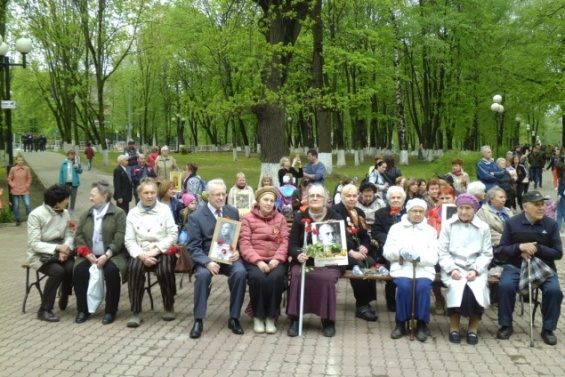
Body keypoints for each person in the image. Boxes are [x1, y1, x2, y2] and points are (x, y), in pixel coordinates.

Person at [495, 191, 563, 345]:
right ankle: (506, 324)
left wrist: (537, 249)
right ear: (525, 206)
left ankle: (548, 328)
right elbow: (502, 250)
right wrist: (519, 247)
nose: (542, 208)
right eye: (537, 205)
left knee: (554, 291)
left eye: (543, 204)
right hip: (516, 266)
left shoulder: (551, 224)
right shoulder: (512, 223)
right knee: (505, 286)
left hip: (544, 268)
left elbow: (558, 253)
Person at [186, 179, 246, 339]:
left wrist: (238, 251)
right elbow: (192, 247)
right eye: (217, 194)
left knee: (240, 272)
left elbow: (238, 237)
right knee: (203, 276)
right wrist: (207, 262)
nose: (221, 198)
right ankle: (198, 320)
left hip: (228, 256)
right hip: (206, 258)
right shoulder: (196, 216)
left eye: (223, 194)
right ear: (208, 196)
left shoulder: (232, 212)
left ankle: (234, 318)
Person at [286, 184, 345, 337]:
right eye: (312, 196)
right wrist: (298, 254)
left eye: (319, 196)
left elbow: (347, 244)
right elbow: (292, 244)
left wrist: (337, 232)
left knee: (327, 278)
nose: (315, 198)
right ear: (307, 198)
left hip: (329, 261)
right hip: (306, 261)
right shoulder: (301, 217)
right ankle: (295, 318)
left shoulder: (335, 216)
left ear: (325, 199)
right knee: (297, 276)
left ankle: (328, 320)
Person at [438, 193, 492, 345]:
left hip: (476, 269)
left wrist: (475, 270)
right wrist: (452, 269)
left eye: (468, 208)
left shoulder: (483, 227)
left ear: (474, 209)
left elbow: (487, 253)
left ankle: (472, 329)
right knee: (457, 290)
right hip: (453, 267)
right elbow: (442, 251)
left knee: (476, 290)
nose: (464, 212)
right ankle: (454, 327)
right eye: (461, 208)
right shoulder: (448, 225)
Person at [124, 178, 179, 328]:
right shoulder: (132, 213)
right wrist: (142, 255)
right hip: (140, 251)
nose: (149, 196)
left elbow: (173, 234)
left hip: (161, 249)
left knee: (165, 269)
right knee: (134, 269)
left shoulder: (164, 210)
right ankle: (136, 311)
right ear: (139, 195)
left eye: (152, 192)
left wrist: (156, 251)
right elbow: (129, 240)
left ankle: (168, 306)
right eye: (146, 193)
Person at [73, 181, 128, 325]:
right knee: (79, 271)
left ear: (104, 197)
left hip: (113, 255)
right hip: (89, 255)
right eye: (90, 195)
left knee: (111, 271)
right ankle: (82, 310)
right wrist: (86, 254)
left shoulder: (118, 213)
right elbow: (78, 236)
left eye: (93, 195)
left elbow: (120, 236)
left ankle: (110, 311)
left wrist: (107, 254)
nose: (90, 198)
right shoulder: (86, 214)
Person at [384, 198, 438, 341]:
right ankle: (400, 322)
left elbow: (433, 257)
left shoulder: (430, 231)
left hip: (423, 269)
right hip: (402, 268)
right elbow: (387, 252)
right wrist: (400, 252)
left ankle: (421, 323)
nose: (418, 214)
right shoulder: (396, 229)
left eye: (421, 211)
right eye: (414, 211)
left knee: (423, 287)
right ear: (408, 212)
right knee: (404, 286)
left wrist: (419, 257)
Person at [240, 186, 289, 334]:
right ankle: (258, 316)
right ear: (258, 201)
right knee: (258, 278)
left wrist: (277, 259)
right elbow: (244, 242)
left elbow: (285, 241)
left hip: (276, 260)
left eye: (272, 201)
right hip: (255, 260)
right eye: (265, 200)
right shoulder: (248, 218)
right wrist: (258, 261)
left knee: (276, 278)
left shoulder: (280, 218)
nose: (268, 203)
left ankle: (270, 316)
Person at [27, 184, 74, 322]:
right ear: (57, 201)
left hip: (61, 250)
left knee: (71, 267)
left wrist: (65, 248)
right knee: (57, 271)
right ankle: (44, 310)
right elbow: (34, 244)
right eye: (66, 199)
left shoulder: (65, 212)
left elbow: (69, 234)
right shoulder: (36, 215)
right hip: (39, 255)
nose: (67, 201)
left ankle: (65, 293)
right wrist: (57, 249)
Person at [334, 184, 378, 321]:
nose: (352, 199)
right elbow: (336, 236)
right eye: (348, 196)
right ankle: (361, 305)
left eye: (354, 196)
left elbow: (365, 234)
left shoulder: (359, 212)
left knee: (370, 262)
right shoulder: (335, 211)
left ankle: (367, 300)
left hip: (358, 250)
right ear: (342, 196)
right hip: (341, 252)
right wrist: (351, 252)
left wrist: (365, 246)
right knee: (359, 266)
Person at [371, 186, 407, 312]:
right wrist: (391, 239)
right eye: (393, 198)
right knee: (392, 269)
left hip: (407, 249)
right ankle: (391, 301)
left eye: (398, 198)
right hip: (388, 249)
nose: (396, 200)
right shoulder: (381, 213)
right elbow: (375, 232)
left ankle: (407, 299)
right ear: (388, 199)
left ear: (403, 199)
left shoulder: (409, 213)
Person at [427, 185, 457, 315]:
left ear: (454, 198)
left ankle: (453, 300)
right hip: (437, 247)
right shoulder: (432, 213)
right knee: (432, 268)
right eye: (442, 198)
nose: (444, 201)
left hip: (455, 249)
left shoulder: (459, 212)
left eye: (447, 198)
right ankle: (439, 299)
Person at [8, 155, 32, 226]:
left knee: (27, 204)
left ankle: (29, 219)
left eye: (21, 160)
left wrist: (27, 185)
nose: (20, 161)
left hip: (25, 190)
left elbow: (29, 178)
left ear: (23, 161)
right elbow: (9, 179)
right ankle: (18, 220)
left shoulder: (26, 169)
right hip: (15, 190)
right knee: (16, 206)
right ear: (16, 161)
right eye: (19, 160)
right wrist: (13, 185)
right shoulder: (13, 169)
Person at [58, 150, 83, 214]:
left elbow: (80, 171)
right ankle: (65, 208)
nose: (72, 156)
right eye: (71, 154)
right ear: (68, 155)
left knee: (73, 196)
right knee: (66, 196)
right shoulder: (64, 162)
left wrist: (77, 168)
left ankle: (72, 209)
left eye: (73, 154)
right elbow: (61, 173)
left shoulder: (76, 162)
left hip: (74, 182)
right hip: (66, 181)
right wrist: (60, 182)